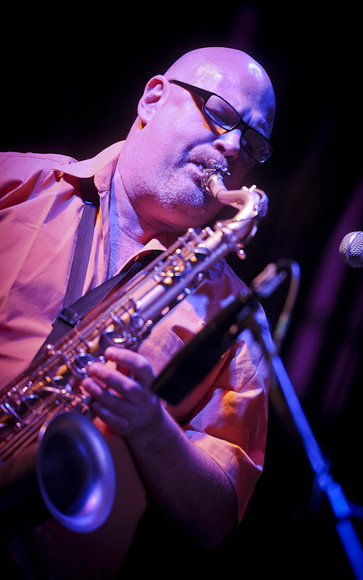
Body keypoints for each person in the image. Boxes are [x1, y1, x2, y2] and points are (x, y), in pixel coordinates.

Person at [0, 46, 276, 577]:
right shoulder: (15, 188)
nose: (235, 146)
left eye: (255, 142)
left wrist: (151, 425)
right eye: (221, 114)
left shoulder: (237, 320)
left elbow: (215, 518)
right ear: (153, 98)